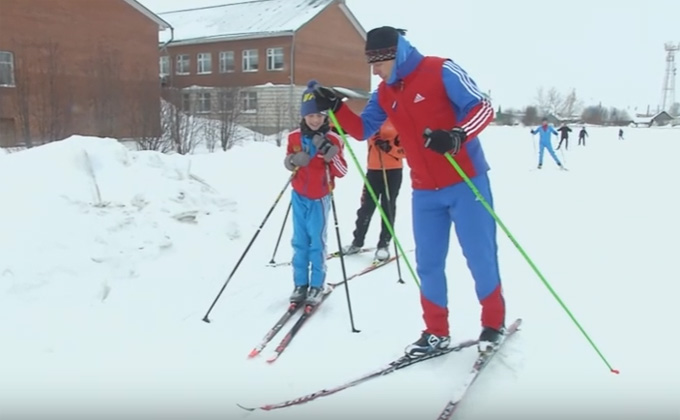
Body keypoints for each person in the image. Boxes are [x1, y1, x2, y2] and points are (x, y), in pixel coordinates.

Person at [311, 26, 506, 356]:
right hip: (425, 191)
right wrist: (337, 107)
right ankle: (435, 331)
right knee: (429, 263)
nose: (374, 70)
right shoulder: (385, 92)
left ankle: (492, 324)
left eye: (377, 63)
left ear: (394, 54)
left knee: (480, 257)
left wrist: (456, 135)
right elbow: (362, 130)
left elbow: (483, 107)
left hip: (467, 182)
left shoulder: (440, 69)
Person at [284, 80, 348, 306]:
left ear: (326, 117)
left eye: (320, 115)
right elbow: (288, 162)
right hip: (299, 195)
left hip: (320, 198)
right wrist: (292, 161)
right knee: (299, 241)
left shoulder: (334, 139)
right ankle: (300, 283)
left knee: (316, 243)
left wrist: (332, 155)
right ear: (304, 116)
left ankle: (317, 284)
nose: (315, 120)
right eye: (311, 115)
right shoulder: (293, 137)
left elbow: (343, 171)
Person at [343, 119, 405, 262]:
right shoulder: (372, 119)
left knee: (387, 207)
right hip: (373, 170)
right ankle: (357, 241)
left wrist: (389, 148)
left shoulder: (398, 119)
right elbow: (357, 131)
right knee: (366, 207)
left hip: (393, 171)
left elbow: (406, 150)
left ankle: (384, 244)